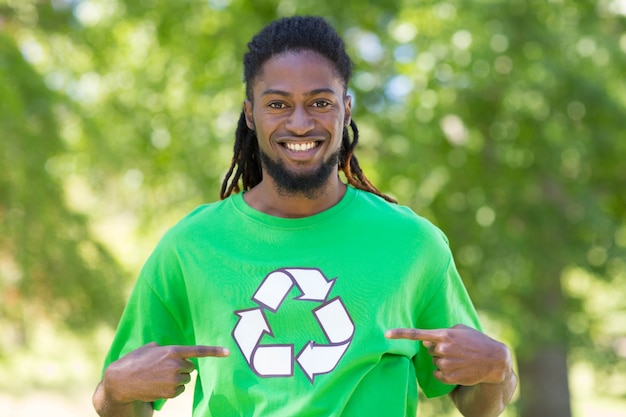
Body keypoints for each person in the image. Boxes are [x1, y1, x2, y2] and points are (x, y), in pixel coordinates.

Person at [93, 15, 517, 417]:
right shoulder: (191, 245)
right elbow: (124, 401)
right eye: (277, 104)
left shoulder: (412, 243)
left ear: (346, 110)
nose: (299, 123)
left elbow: (477, 400)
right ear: (249, 113)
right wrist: (114, 390)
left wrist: (500, 368)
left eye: (319, 102)